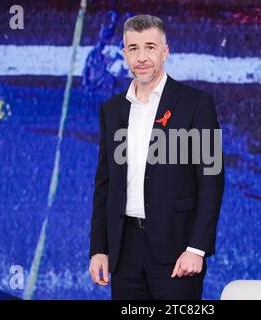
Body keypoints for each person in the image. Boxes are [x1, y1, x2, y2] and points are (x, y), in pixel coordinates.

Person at [88, 14, 224, 300]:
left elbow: (211, 182)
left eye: (150, 47)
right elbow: (105, 185)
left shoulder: (197, 104)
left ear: (165, 51)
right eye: (133, 48)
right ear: (124, 53)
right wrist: (100, 248)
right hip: (124, 252)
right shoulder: (111, 110)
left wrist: (196, 249)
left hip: (178, 251)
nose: (141, 57)